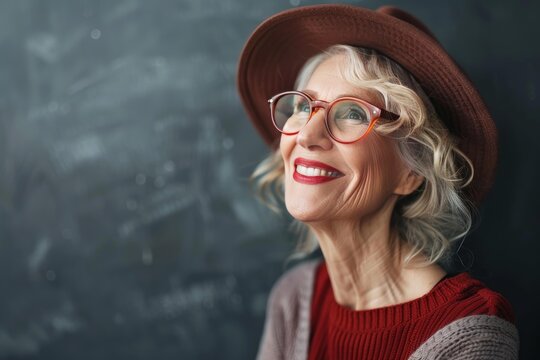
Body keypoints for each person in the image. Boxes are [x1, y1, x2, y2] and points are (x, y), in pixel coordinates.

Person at [236, 4, 519, 360]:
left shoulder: (469, 331)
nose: (307, 134)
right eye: (303, 106)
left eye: (352, 112)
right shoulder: (293, 298)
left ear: (412, 170)